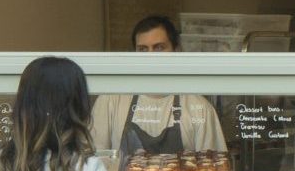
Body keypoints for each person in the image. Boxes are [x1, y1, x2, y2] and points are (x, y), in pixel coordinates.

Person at [90, 15, 228, 155]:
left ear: (177, 51)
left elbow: (214, 170)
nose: (151, 57)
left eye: (159, 48)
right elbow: (95, 164)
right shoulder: (110, 101)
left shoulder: (199, 108)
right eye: (143, 49)